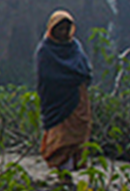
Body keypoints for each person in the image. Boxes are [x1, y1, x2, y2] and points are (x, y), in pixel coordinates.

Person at [35, 10, 93, 171]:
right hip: (57, 101)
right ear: (52, 29)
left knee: (78, 132)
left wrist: (82, 79)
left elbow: (85, 69)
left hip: (77, 97)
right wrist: (66, 80)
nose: (63, 33)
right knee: (61, 136)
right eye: (60, 29)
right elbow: (45, 77)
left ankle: (71, 166)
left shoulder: (75, 47)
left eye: (66, 29)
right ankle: (62, 169)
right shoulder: (45, 50)